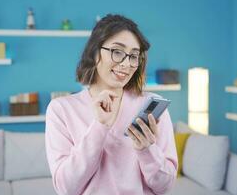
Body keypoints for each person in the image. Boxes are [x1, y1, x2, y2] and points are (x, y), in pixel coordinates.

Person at [45, 14, 177, 195]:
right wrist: (100, 127)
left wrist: (147, 151)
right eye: (117, 52)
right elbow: (66, 188)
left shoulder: (151, 107)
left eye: (134, 56)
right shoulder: (61, 109)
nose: (126, 63)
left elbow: (165, 187)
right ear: (94, 52)